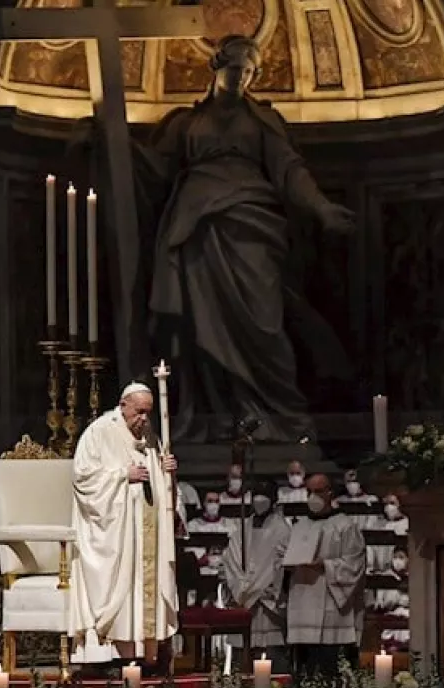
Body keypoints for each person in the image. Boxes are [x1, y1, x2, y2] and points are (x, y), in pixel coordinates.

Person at [136, 34, 356, 443]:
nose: (241, 78)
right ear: (217, 69)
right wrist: (106, 139)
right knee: (198, 326)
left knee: (263, 324)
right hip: (196, 229)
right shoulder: (186, 123)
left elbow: (290, 171)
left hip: (252, 226)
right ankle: (216, 416)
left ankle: (279, 417)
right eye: (234, 69)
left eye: (249, 72)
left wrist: (322, 208)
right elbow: (151, 168)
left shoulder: (262, 121)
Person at [67, 382, 180, 673]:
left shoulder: (150, 437)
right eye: (139, 412)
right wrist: (121, 475)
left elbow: (157, 484)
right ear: (123, 405)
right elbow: (82, 479)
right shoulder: (99, 431)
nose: (144, 419)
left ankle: (146, 650)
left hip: (144, 528)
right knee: (115, 580)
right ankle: (109, 651)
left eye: (148, 413)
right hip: (114, 531)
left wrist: (166, 472)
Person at [285, 474, 366, 674]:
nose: (313, 496)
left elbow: (355, 563)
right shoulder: (299, 526)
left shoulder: (345, 525)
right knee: (305, 672)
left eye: (318, 491)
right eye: (309, 491)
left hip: (332, 609)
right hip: (302, 606)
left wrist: (325, 565)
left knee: (333, 670)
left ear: (330, 492)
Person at [224, 479, 293, 672]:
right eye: (256, 496)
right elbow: (231, 558)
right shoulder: (243, 528)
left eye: (264, 496)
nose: (259, 500)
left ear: (273, 500)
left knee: (271, 659)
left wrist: (257, 587)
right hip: (244, 599)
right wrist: (242, 586)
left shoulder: (282, 530)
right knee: (242, 659)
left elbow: (280, 565)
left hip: (267, 604)